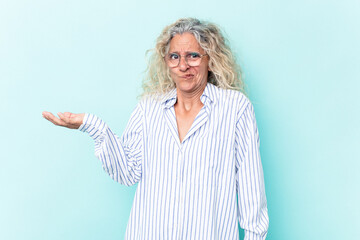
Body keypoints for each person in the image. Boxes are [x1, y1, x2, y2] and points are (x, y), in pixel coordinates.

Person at [43, 18, 269, 239]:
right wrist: (92, 125)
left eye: (193, 55)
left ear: (210, 59)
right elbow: (127, 172)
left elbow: (251, 192)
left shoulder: (235, 108)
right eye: (174, 57)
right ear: (166, 61)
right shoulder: (148, 109)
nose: (183, 65)